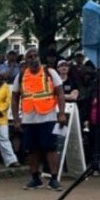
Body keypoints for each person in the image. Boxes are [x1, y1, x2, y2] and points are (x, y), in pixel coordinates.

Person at [12, 47, 68, 190]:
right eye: (30, 56)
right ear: (26, 60)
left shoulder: (50, 72)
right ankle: (35, 178)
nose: (33, 58)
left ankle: (54, 178)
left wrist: (61, 113)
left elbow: (60, 94)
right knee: (32, 149)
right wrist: (16, 119)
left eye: (35, 55)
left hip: (47, 115)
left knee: (50, 148)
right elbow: (15, 97)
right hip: (29, 117)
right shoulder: (21, 75)